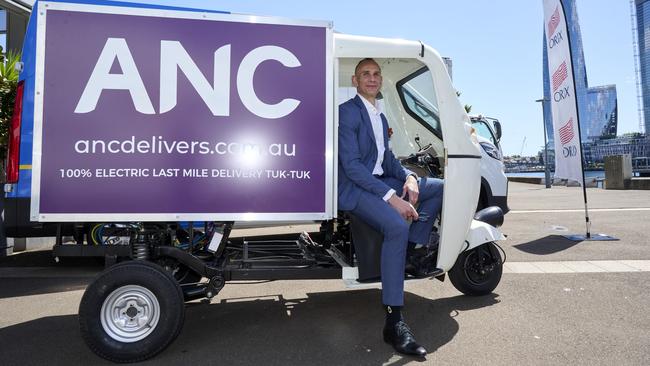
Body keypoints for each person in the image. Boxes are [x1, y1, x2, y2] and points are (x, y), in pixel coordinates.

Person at [338, 58, 444, 357]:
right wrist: (392, 197)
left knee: (437, 188)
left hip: (379, 181)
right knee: (397, 225)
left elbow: (388, 161)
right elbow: (353, 167)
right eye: (365, 75)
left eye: (375, 74)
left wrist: (410, 177)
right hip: (355, 188)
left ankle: (410, 251)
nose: (371, 79)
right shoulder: (347, 113)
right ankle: (394, 323)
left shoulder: (380, 117)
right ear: (355, 81)